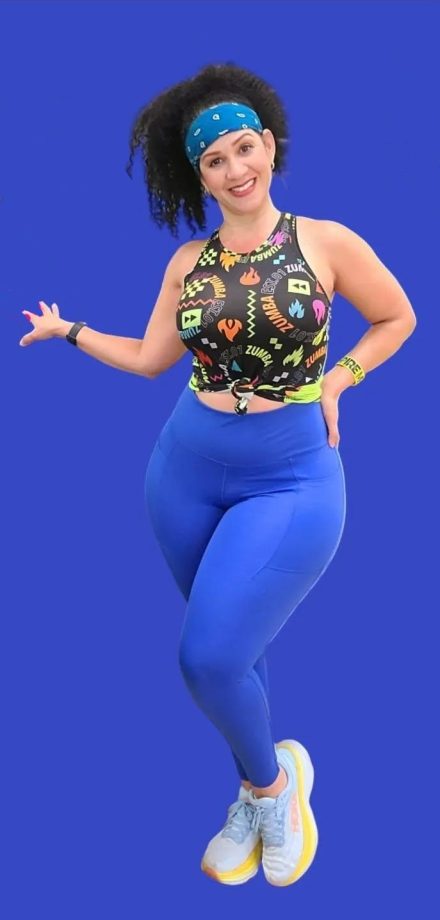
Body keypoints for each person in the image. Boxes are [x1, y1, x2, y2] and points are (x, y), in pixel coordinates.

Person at [18, 62, 417, 888]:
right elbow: (149, 358)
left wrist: (341, 379)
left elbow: (397, 316)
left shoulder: (326, 242)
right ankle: (256, 788)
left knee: (207, 656)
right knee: (237, 646)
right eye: (214, 160)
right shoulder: (187, 263)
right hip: (186, 468)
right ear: (196, 176)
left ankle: (274, 787)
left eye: (243, 147)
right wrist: (71, 331)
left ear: (268, 143)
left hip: (293, 475)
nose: (235, 168)